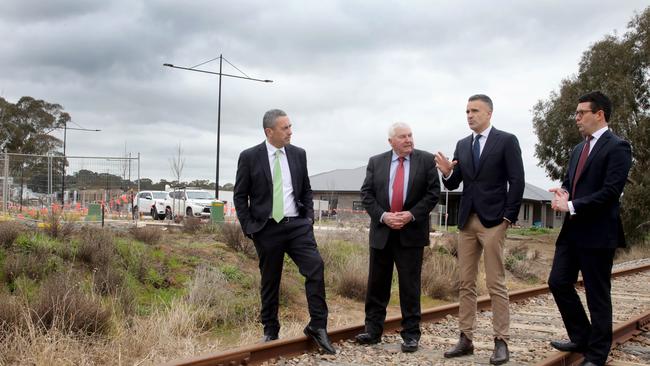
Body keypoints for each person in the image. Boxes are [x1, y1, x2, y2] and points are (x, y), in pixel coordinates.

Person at [233, 109, 335, 354]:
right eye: (285, 128)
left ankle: (318, 326)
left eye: (290, 126)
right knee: (270, 280)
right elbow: (239, 195)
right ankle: (270, 330)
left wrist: (308, 218)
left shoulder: (299, 154)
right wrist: (250, 228)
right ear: (270, 132)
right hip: (266, 228)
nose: (291, 131)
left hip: (297, 226)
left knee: (315, 268)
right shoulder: (249, 157)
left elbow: (306, 189)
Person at [435, 94, 524, 365]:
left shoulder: (506, 141)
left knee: (495, 282)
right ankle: (466, 338)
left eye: (474, 110)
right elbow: (453, 185)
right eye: (466, 111)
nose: (469, 115)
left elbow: (517, 180)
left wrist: (508, 218)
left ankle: (501, 341)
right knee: (466, 282)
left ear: (489, 113)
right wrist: (448, 172)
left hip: (494, 221)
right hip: (466, 222)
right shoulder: (463, 144)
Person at [547, 91, 632, 366]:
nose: (576, 118)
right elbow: (570, 182)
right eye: (575, 113)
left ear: (599, 114)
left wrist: (571, 205)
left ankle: (596, 354)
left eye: (581, 113)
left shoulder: (618, 147)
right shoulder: (577, 149)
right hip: (572, 232)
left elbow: (610, 192)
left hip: (598, 233)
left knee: (597, 294)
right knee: (558, 281)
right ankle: (581, 336)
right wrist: (563, 193)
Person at [355, 122, 440, 353]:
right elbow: (366, 194)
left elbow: (433, 194)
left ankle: (411, 335)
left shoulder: (426, 160)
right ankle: (373, 331)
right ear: (391, 141)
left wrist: (411, 215)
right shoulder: (376, 162)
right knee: (377, 284)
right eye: (403, 136)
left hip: (411, 234)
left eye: (411, 135)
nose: (409, 140)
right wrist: (383, 216)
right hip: (382, 233)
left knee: (409, 287)